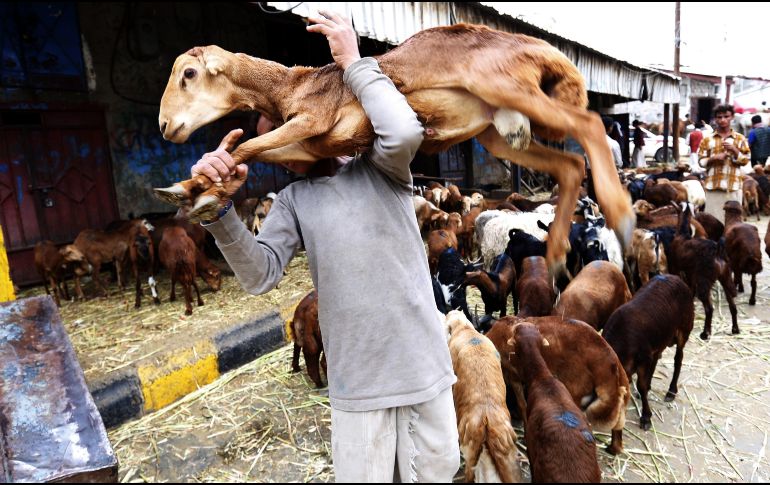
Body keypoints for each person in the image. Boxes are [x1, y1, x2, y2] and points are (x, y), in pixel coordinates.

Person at [190, 11, 459, 483]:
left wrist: (354, 63)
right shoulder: (293, 202)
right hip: (358, 382)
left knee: (436, 472)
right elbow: (259, 275)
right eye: (267, 146)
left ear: (310, 121)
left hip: (422, 365)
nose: (278, 152)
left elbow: (405, 131)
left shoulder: (381, 168)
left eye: (282, 131)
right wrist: (217, 208)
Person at [697, 104, 751, 223]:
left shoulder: (740, 139)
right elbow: (700, 161)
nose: (723, 120)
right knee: (712, 223)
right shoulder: (707, 139)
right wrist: (713, 158)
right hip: (713, 187)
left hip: (733, 188)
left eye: (726, 116)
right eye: (719, 117)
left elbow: (746, 160)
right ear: (715, 119)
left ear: (732, 117)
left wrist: (734, 150)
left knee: (733, 224)